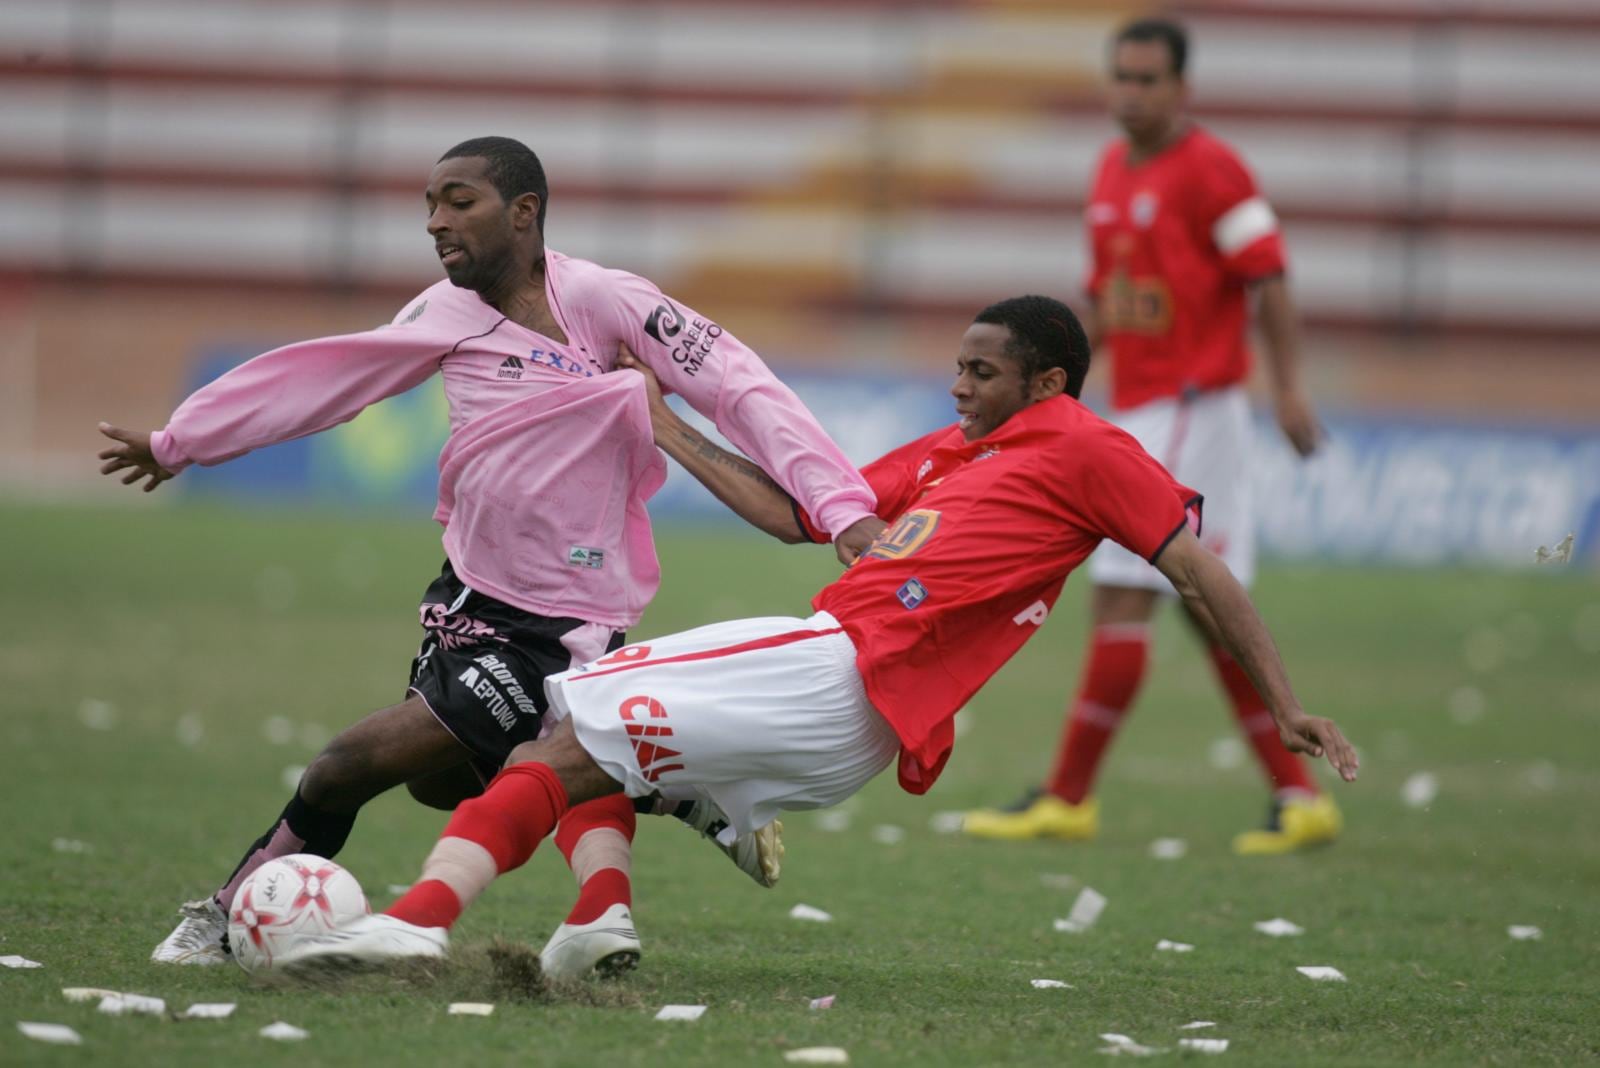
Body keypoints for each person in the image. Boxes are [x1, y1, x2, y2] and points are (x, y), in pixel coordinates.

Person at [265, 294, 1360, 973]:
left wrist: (1282, 703)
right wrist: (668, 427)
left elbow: (1196, 568)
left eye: (982, 370)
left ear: (1050, 381)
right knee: (574, 732)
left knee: (561, 722)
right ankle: (602, 915)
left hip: (850, 665)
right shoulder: (950, 452)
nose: (958, 383)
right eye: (958, 366)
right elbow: (804, 516)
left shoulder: (1087, 448)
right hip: (852, 700)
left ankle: (413, 918)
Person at [96, 136, 884, 976]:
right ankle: (667, 787)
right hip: (466, 598)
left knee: (343, 768)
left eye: (458, 200)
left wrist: (843, 508)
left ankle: (222, 919)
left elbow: (742, 386)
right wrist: (185, 441)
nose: (437, 222)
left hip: (561, 620)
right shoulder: (442, 314)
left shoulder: (610, 304)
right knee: (443, 784)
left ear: (523, 212)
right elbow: (329, 374)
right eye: (430, 205)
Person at [962, 19, 1336, 854]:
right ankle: (1298, 795)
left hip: (1197, 404)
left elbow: (1267, 275)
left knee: (1125, 589)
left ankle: (1068, 796)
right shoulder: (1107, 170)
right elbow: (1104, 297)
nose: (1130, 94)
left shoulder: (1212, 169)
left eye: (1147, 80)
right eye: (1120, 78)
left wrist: (1289, 385)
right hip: (1143, 406)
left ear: (1181, 88)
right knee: (1207, 608)